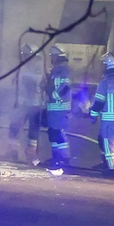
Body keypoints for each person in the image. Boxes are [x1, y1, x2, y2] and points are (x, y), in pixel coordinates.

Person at [8, 44, 44, 165]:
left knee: (33, 131)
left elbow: (34, 83)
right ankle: (13, 152)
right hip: (23, 103)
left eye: (27, 55)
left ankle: (31, 155)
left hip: (33, 103)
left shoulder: (39, 68)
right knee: (14, 126)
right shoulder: (23, 67)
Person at [44, 45, 72, 174]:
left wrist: (53, 95)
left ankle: (64, 158)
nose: (51, 58)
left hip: (60, 108)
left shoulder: (64, 70)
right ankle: (56, 156)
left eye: (52, 56)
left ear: (57, 57)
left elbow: (65, 86)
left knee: (59, 133)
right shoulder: (55, 71)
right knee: (53, 133)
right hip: (53, 108)